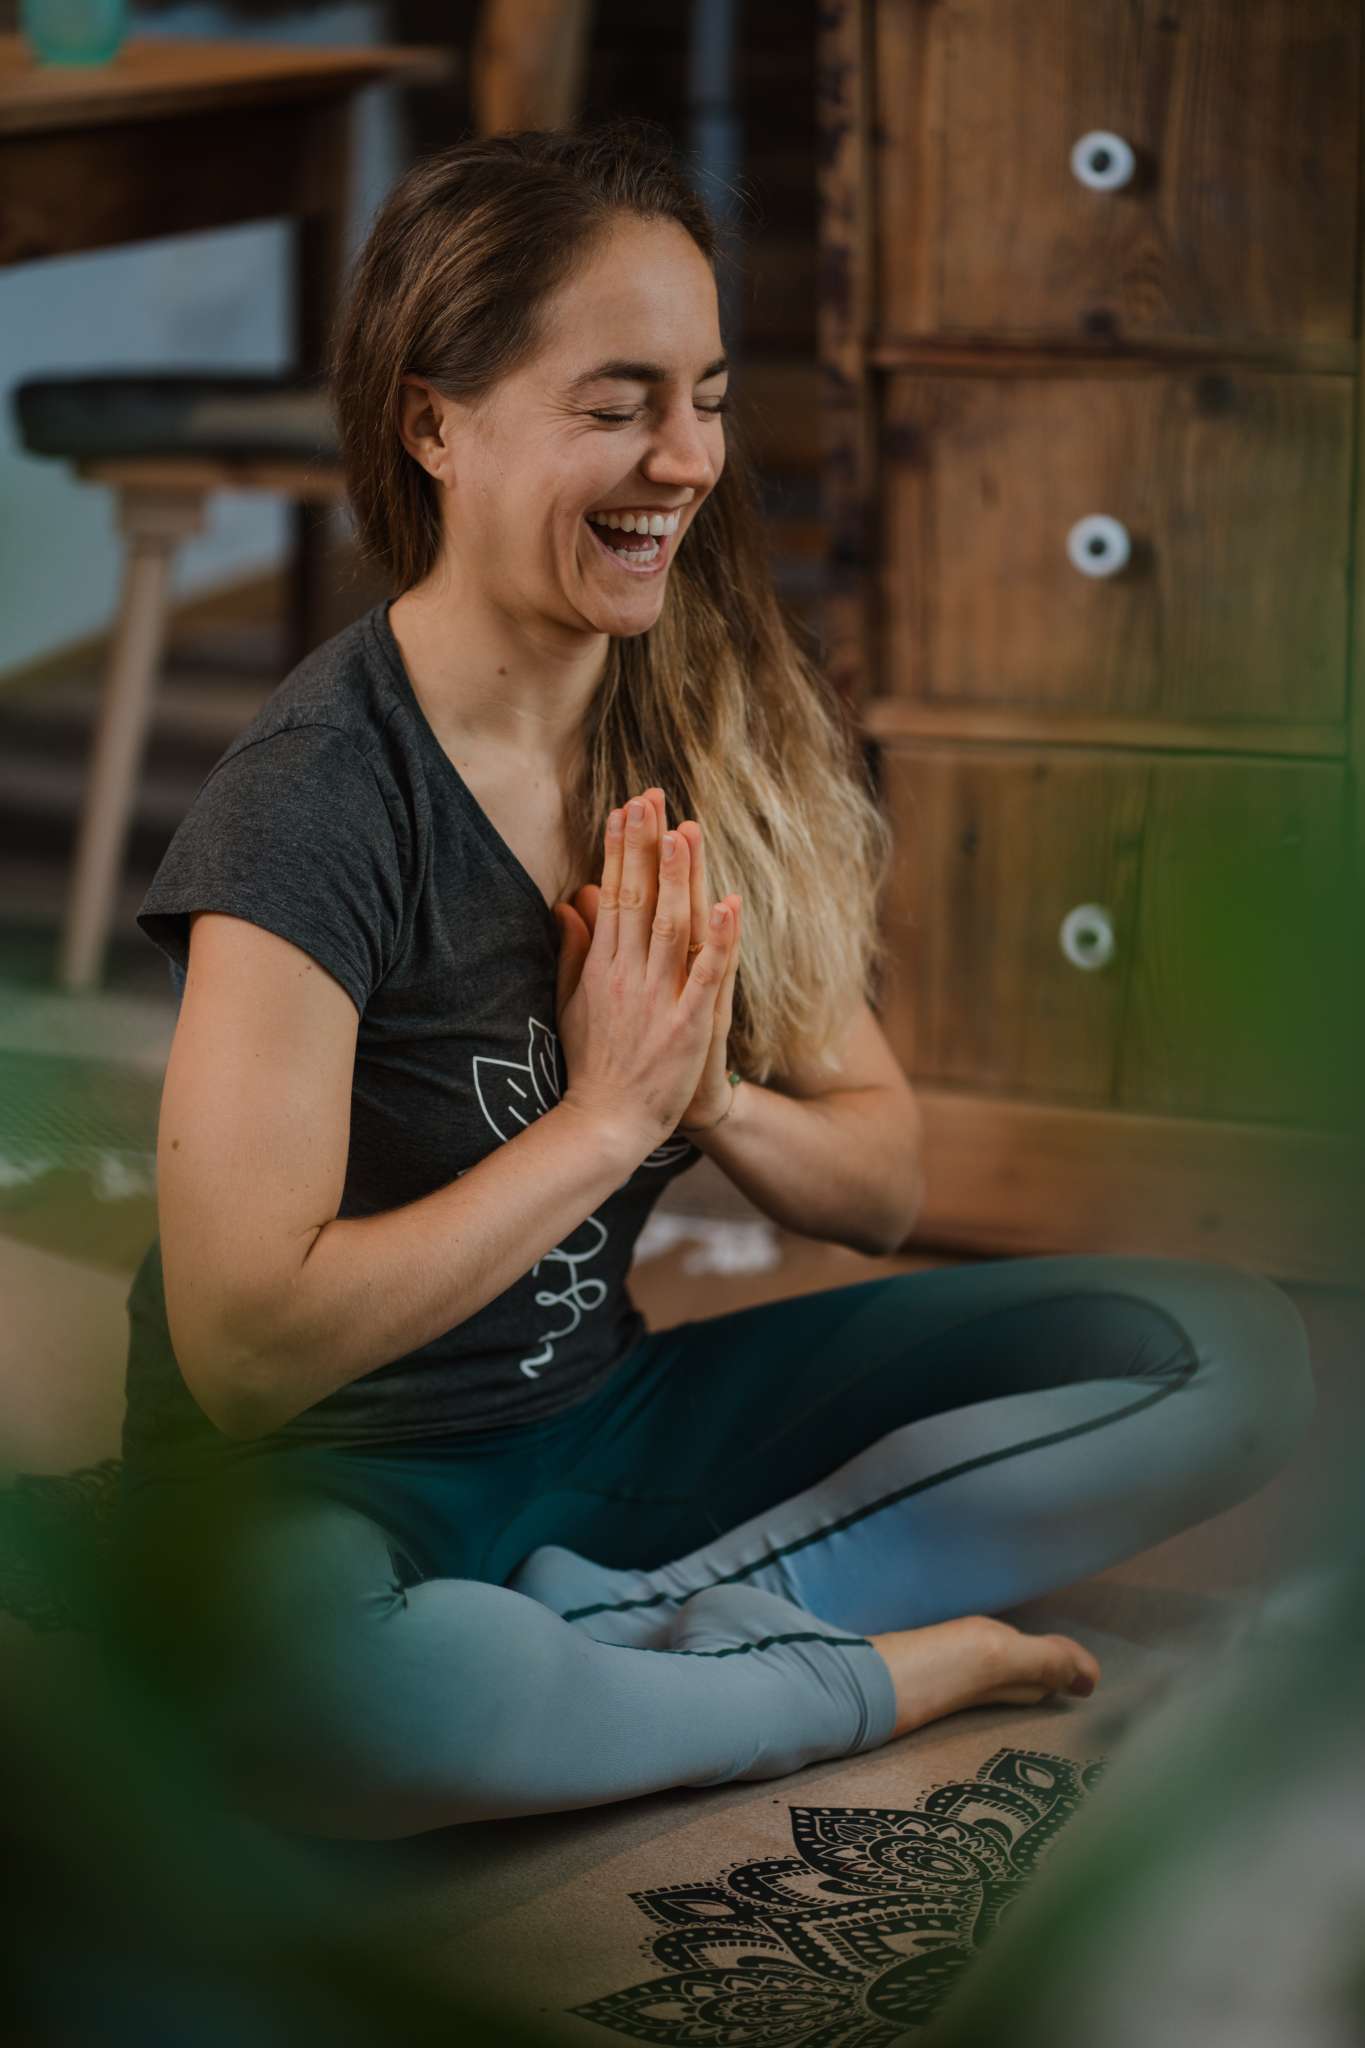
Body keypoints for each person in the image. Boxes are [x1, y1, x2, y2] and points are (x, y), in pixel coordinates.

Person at [105, 120, 1315, 1842]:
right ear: (435, 424)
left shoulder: (694, 731)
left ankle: (601, 1648)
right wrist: (601, 1126)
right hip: (321, 1490)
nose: (684, 459)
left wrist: (705, 1089)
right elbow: (242, 1352)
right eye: (617, 406)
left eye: (707, 398)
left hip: (606, 1426)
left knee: (1225, 1355)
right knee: (347, 1700)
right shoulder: (313, 803)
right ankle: (847, 1671)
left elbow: (879, 1187)